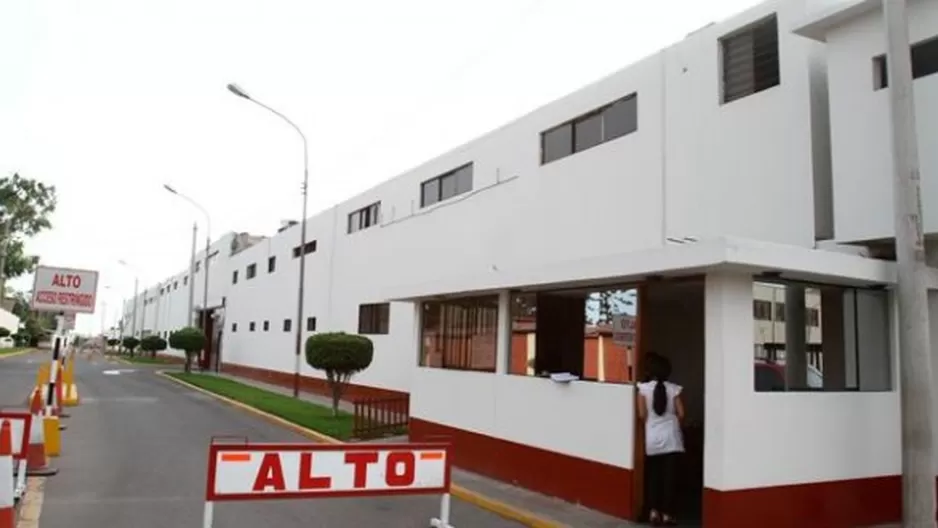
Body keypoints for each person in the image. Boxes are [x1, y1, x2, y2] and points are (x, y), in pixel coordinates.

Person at [637, 353, 684, 526]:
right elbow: (682, 414)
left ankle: (653, 513)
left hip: (653, 440)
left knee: (653, 478)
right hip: (672, 439)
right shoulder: (674, 389)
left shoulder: (643, 389)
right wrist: (671, 423)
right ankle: (667, 515)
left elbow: (642, 414)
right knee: (669, 479)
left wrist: (652, 424)